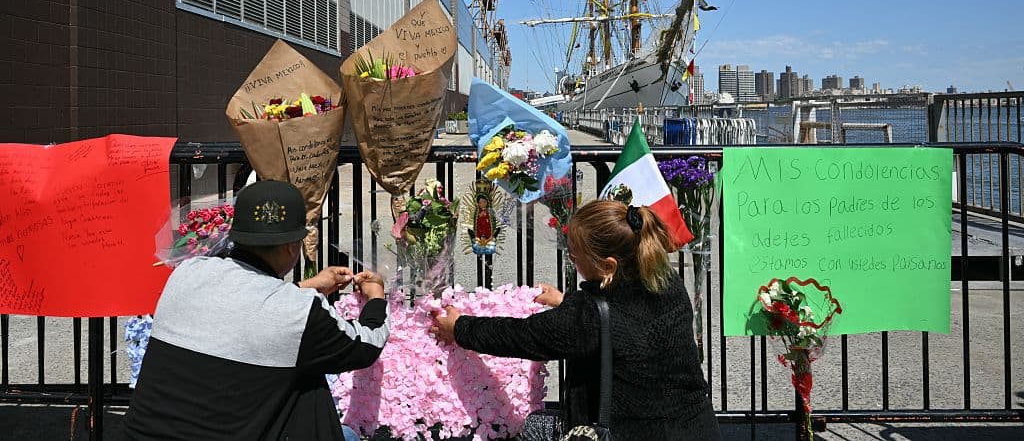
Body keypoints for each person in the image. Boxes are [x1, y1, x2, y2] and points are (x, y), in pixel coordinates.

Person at [431, 198, 720, 440]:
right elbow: (625, 324)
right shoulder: (665, 281)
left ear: (607, 266)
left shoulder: (587, 316)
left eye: (575, 256)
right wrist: (567, 301)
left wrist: (459, 327)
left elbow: (521, 335)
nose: (572, 260)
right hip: (695, 426)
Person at [124, 180, 389, 440]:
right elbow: (365, 345)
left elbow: (243, 304)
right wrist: (376, 297)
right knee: (333, 418)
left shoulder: (187, 273)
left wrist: (307, 286)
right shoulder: (298, 311)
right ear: (290, 246)